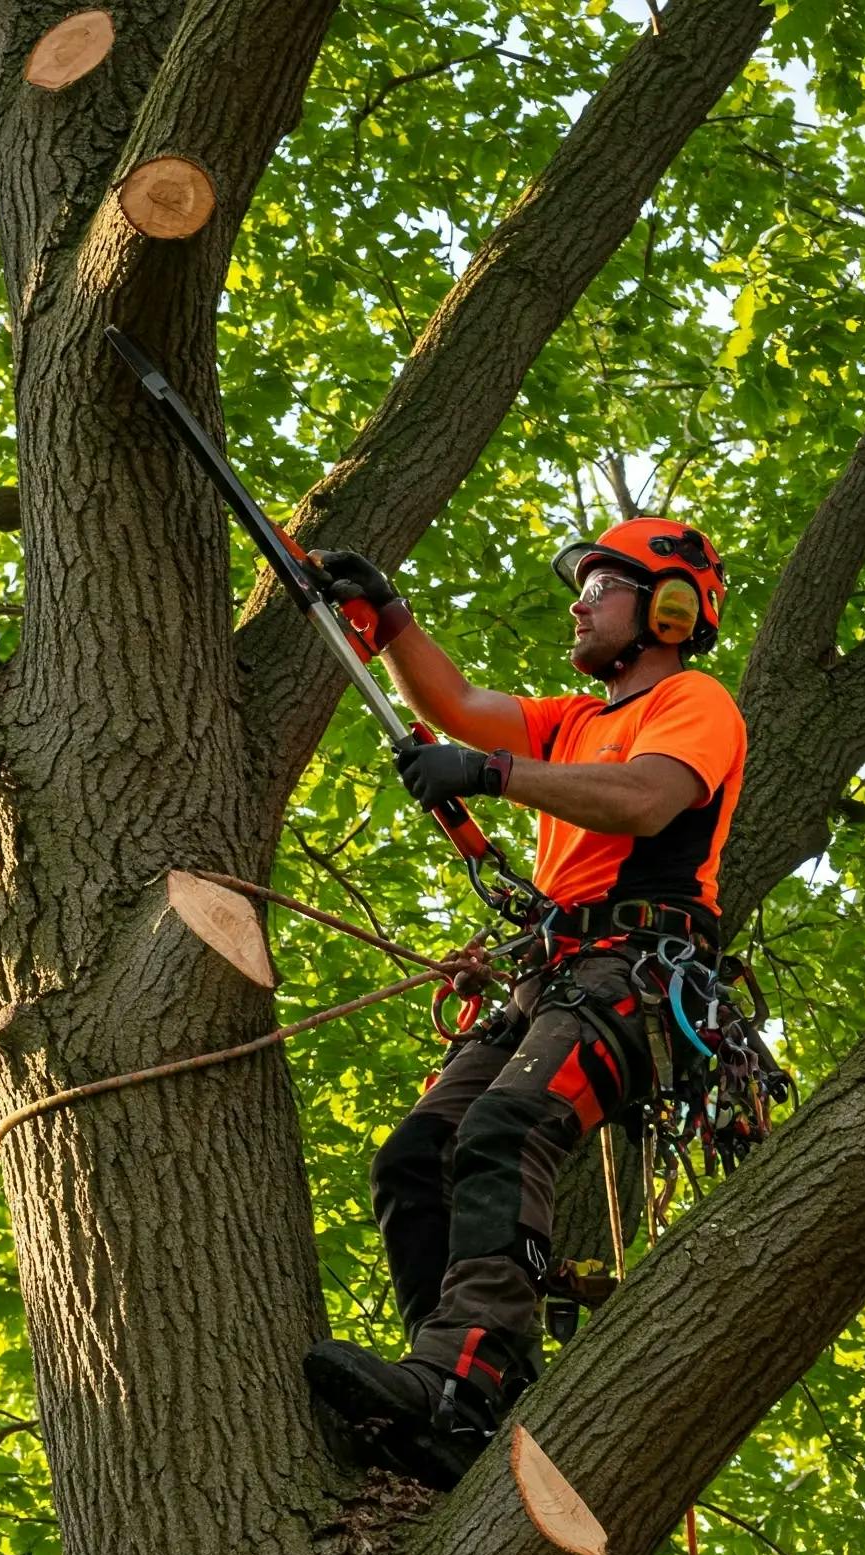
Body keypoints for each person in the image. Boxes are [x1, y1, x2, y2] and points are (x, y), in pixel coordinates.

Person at [302, 519, 746, 1489]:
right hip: (549, 976)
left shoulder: (691, 701)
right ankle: (439, 1385)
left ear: (669, 610)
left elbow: (642, 800)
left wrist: (493, 776)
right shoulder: (573, 721)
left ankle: (475, 1375)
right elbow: (459, 703)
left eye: (600, 585)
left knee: (506, 1125)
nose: (579, 603)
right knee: (417, 1154)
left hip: (633, 975)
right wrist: (392, 620)